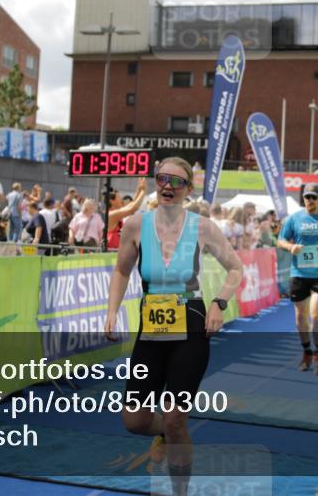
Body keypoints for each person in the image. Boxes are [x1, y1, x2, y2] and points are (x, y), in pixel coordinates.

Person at [104, 157, 242, 496]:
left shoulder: (203, 227)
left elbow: (236, 269)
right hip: (150, 324)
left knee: (177, 417)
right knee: (134, 422)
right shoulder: (135, 224)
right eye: (162, 178)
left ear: (188, 190)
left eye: (176, 181)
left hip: (190, 322)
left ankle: (179, 489)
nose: (167, 185)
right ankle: (165, 432)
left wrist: (218, 302)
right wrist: (112, 312)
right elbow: (122, 270)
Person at [276, 183, 318, 375]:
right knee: (300, 317)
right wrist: (290, 247)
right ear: (303, 199)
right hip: (299, 273)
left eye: (314, 197)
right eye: (307, 197)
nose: (311, 201)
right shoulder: (294, 219)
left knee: (315, 314)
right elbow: (280, 239)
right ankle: (306, 352)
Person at [106, 177, 147, 250]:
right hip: (111, 254)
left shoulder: (115, 212)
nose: (121, 200)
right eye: (119, 197)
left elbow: (132, 204)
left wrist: (139, 189)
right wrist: (143, 191)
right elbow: (132, 209)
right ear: (112, 201)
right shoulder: (111, 214)